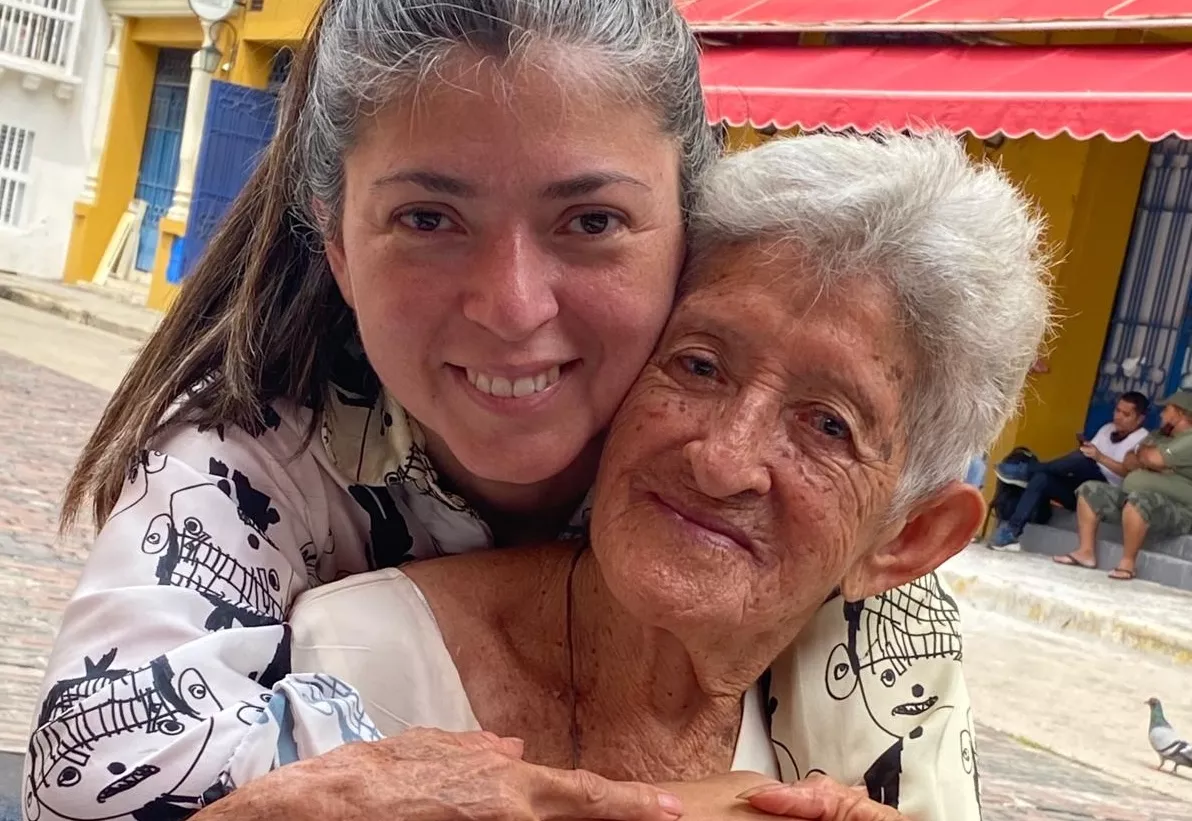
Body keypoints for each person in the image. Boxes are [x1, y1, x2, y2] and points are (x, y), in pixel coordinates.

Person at [22, 1, 1036, 818]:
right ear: (336, 244)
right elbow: (92, 772)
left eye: (590, 220)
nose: (512, 307)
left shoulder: (849, 551)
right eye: (427, 218)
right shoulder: (250, 465)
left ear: (684, 235)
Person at [186, 132, 1048, 821]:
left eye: (827, 426)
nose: (723, 459)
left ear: (907, 538)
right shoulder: (363, 649)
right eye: (701, 365)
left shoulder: (879, 720)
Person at [988, 392, 1149, 551]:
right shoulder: (1107, 429)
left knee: (1082, 460)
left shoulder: (1143, 440)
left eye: (1126, 414)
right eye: (1117, 411)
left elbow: (1130, 473)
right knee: (1042, 478)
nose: (1118, 417)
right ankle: (1011, 532)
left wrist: (1099, 457)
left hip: (1107, 492)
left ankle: (1026, 471)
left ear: (1140, 419)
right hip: (1082, 487)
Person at [1058, 391, 1192, 579]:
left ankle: (1127, 564)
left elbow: (1153, 457)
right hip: (1136, 498)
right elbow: (1130, 460)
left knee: (1139, 501)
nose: (1161, 414)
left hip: (1180, 509)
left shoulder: (1189, 439)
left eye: (1167, 410)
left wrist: (1149, 460)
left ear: (1180, 414)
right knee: (1090, 490)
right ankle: (1085, 552)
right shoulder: (1160, 436)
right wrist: (1153, 464)